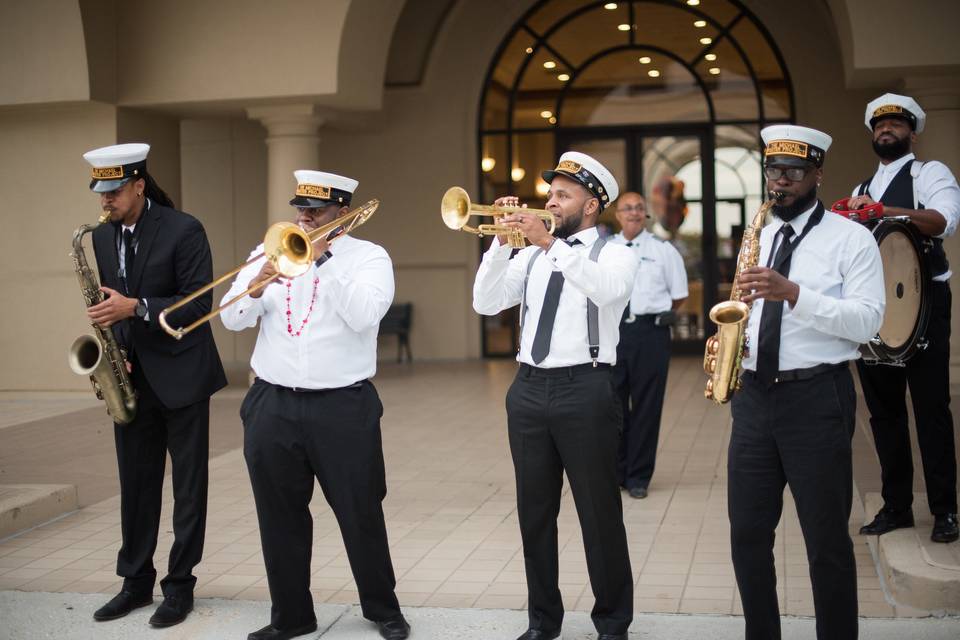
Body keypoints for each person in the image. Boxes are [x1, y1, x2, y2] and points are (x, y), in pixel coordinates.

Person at [220, 170, 409, 640]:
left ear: (342, 214)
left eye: (316, 211)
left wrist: (324, 260)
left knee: (360, 510)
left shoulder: (369, 258)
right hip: (273, 402)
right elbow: (230, 318)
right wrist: (259, 281)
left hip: (343, 406)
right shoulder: (270, 251)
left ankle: (382, 609)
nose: (303, 218)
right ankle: (292, 616)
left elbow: (365, 314)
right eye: (300, 209)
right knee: (278, 515)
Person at [728, 125, 885, 640]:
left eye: (794, 172)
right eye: (774, 171)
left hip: (816, 397)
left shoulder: (852, 239)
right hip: (753, 398)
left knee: (826, 542)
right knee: (748, 536)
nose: (782, 182)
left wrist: (793, 293)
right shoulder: (761, 234)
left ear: (818, 174)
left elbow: (867, 323)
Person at [473, 152, 636, 640]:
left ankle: (612, 623)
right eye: (551, 194)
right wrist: (502, 246)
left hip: (586, 389)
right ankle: (543, 622)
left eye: (562, 196)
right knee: (534, 515)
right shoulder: (530, 256)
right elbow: (486, 303)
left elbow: (606, 291)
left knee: (598, 512)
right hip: (528, 390)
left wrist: (548, 243)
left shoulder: (614, 252)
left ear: (591, 206)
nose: (550, 202)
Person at [83, 143, 227, 627]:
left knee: (188, 490)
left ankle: (180, 587)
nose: (106, 201)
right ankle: (135, 583)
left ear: (139, 185)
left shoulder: (185, 229)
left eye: (115, 191)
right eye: (101, 192)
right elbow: (110, 301)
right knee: (136, 486)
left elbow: (199, 303)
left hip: (183, 376)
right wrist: (115, 345)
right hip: (133, 382)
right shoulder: (102, 238)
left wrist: (137, 307)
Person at [849, 93, 960, 544]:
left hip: (923, 302)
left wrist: (887, 212)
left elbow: (943, 221)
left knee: (931, 409)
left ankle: (945, 510)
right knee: (883, 412)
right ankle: (896, 506)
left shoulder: (928, 173)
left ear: (912, 131)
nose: (886, 129)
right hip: (875, 308)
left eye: (896, 123)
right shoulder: (860, 190)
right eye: (879, 124)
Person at [609, 192, 688, 499]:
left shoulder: (662, 250)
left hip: (650, 334)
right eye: (627, 208)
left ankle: (639, 476)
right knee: (612, 405)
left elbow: (679, 294)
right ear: (617, 214)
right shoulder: (606, 250)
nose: (633, 213)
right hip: (613, 334)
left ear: (646, 214)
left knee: (647, 406)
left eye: (639, 208)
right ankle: (618, 470)